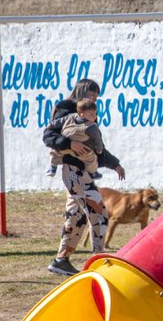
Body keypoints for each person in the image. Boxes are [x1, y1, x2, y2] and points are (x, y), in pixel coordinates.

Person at [42, 79, 126, 276]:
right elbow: (48, 136)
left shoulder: (90, 114)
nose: (94, 98)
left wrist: (114, 164)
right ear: (81, 91)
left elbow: (96, 147)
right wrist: (69, 144)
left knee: (76, 217)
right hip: (73, 170)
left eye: (96, 95)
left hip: (84, 170)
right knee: (99, 212)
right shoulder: (67, 109)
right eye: (91, 93)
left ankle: (61, 261)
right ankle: (98, 258)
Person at [49, 98, 103, 176]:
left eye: (95, 113)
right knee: (91, 159)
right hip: (81, 151)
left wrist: (51, 125)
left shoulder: (71, 116)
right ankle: (93, 172)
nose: (94, 116)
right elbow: (98, 140)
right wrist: (99, 150)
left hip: (65, 146)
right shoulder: (92, 126)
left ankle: (53, 167)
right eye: (91, 114)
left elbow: (60, 121)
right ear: (82, 114)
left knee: (55, 152)